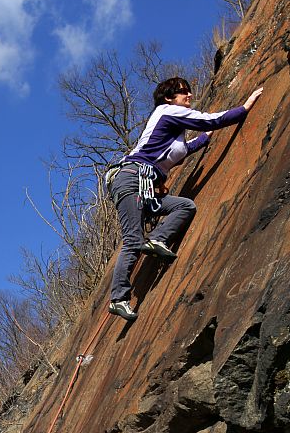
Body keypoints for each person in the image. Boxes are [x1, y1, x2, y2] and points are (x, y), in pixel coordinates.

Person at [107, 77, 264, 321]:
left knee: (185, 206)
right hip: (131, 179)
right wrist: (244, 108)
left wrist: (207, 137)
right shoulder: (167, 112)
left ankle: (157, 240)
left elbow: (184, 150)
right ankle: (118, 299)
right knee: (132, 239)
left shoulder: (174, 129)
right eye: (183, 92)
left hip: (145, 186)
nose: (189, 95)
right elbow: (209, 120)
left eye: (189, 92)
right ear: (169, 97)